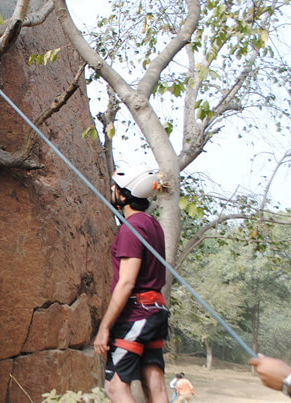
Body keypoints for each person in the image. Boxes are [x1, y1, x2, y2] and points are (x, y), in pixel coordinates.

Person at [93, 164, 169, 403]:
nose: (112, 191)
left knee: (115, 388)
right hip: (155, 311)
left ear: (124, 195)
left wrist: (105, 327)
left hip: (136, 313)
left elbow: (126, 282)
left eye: (116, 188)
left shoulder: (131, 229)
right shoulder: (152, 225)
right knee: (154, 384)